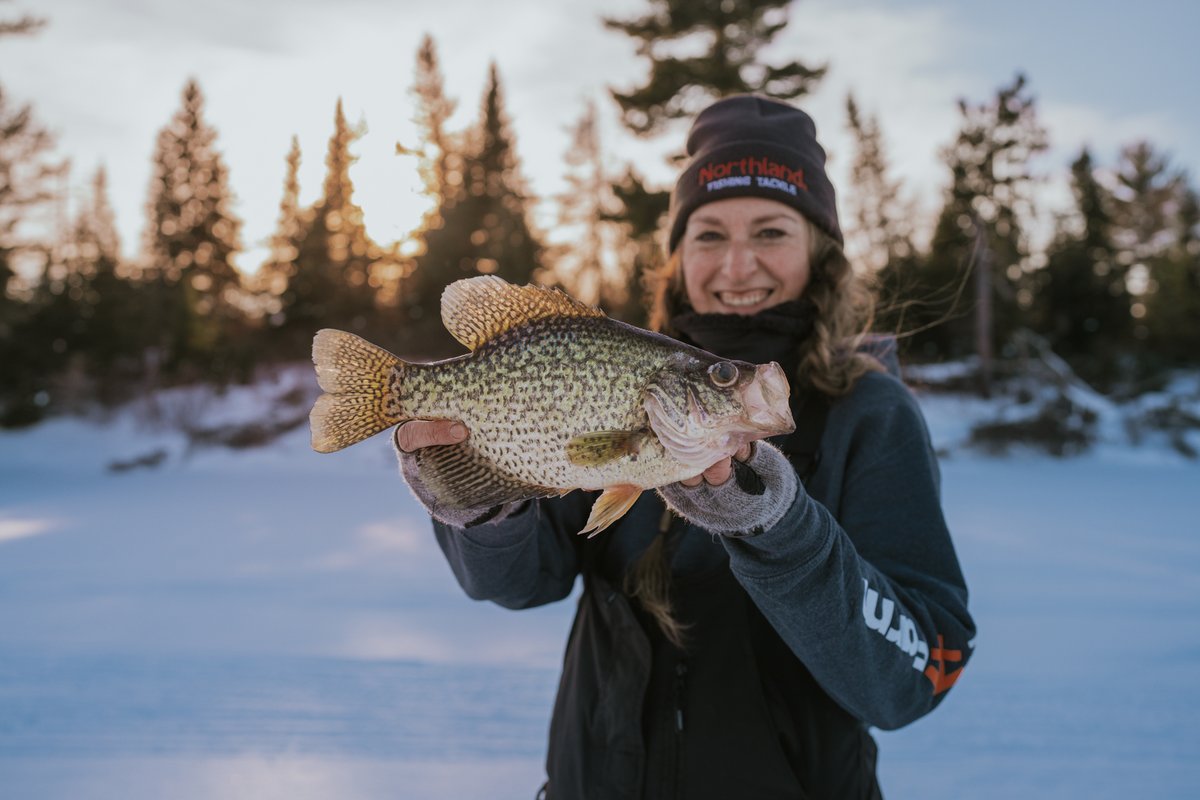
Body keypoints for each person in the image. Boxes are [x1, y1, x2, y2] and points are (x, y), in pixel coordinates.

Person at [394, 95, 974, 799]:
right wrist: (476, 504)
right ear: (676, 256)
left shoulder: (871, 413)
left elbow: (915, 678)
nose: (736, 265)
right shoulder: (610, 372)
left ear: (821, 251)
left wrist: (778, 527)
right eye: (707, 236)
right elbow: (519, 583)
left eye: (769, 232)